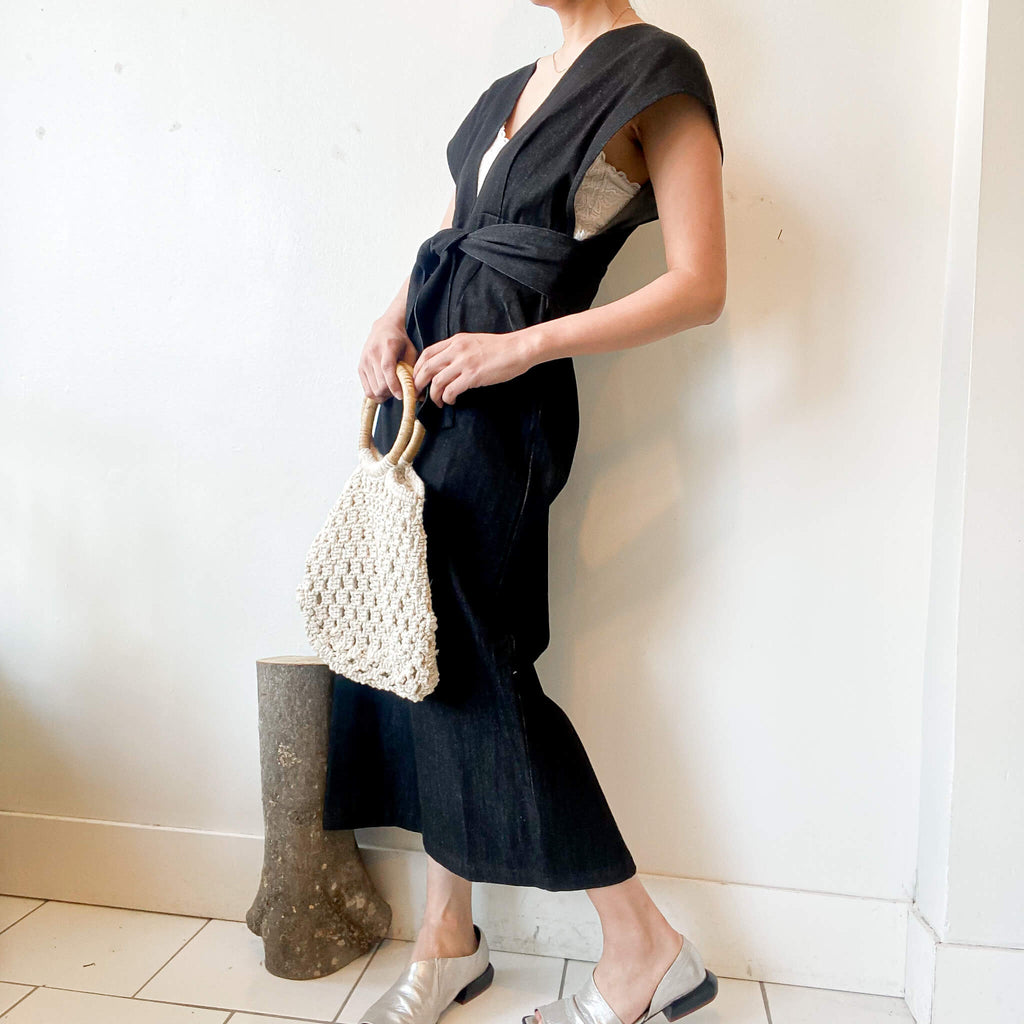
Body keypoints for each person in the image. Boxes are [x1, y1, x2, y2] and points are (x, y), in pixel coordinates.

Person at [321, 3, 726, 1024]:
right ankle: (447, 938)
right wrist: (390, 320)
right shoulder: (508, 89)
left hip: (508, 410)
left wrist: (523, 348)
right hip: (427, 394)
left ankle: (644, 945)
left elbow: (700, 284)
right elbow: (457, 236)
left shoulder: (656, 71)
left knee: (474, 663)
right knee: (422, 654)